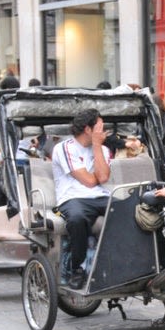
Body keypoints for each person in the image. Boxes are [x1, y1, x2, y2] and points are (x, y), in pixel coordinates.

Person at [52, 108, 112, 289]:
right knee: (77, 219)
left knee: (127, 210)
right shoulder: (64, 148)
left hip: (100, 196)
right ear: (88, 129)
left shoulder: (103, 149)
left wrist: (96, 147)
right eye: (100, 128)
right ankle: (77, 268)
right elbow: (88, 181)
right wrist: (95, 149)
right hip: (72, 198)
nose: (103, 131)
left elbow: (101, 178)